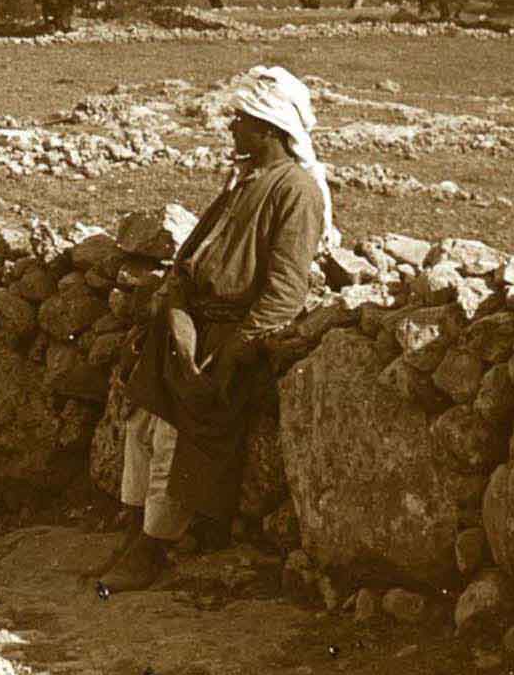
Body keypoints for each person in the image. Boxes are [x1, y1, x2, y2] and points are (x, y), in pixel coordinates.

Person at [97, 65, 336, 593]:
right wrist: (175, 311)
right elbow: (194, 256)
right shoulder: (245, 182)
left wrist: (234, 350)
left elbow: (286, 287)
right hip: (191, 328)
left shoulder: (293, 190)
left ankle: (154, 546)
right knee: (143, 424)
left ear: (269, 128)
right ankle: (135, 527)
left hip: (224, 338)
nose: (232, 128)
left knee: (175, 438)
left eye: (241, 120)